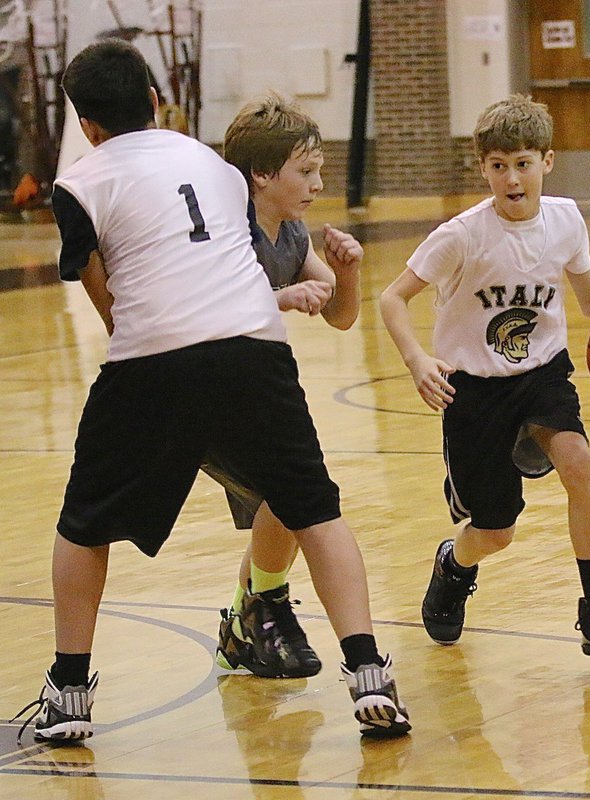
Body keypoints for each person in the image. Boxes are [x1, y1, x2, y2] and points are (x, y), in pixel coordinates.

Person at [12, 39, 409, 743]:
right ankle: (369, 671)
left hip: (152, 359)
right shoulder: (211, 163)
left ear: (88, 126)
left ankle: (70, 690)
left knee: (83, 526)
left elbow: (109, 302)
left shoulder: (78, 182)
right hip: (254, 347)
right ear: (157, 102)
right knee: (315, 512)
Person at [379, 93, 590, 660]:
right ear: (483, 168)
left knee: (580, 465)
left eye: (522, 163)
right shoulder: (462, 235)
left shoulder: (565, 219)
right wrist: (418, 359)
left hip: (541, 373)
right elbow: (394, 298)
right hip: (474, 390)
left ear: (547, 161)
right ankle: (454, 565)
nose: (511, 178)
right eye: (498, 166)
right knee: (496, 531)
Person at [201, 92, 363, 679]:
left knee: (288, 503)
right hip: (200, 392)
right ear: (261, 175)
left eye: (320, 170)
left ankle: (246, 622)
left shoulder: (292, 233)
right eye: (307, 170)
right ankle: (257, 613)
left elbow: (341, 315)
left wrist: (347, 272)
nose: (319, 183)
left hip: (254, 390)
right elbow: (212, 306)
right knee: (291, 499)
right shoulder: (226, 230)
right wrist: (279, 297)